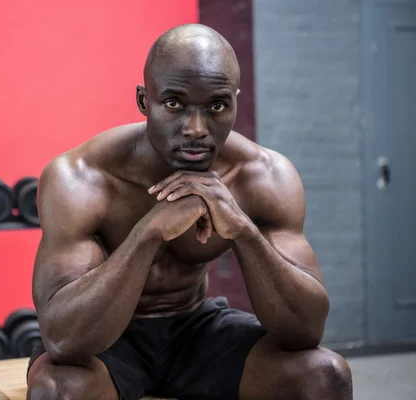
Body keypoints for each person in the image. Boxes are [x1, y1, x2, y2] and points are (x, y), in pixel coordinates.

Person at [26, 24, 353, 400]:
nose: (196, 129)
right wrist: (148, 232)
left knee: (324, 374)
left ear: (234, 101)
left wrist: (243, 231)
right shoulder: (82, 178)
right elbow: (64, 340)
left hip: (197, 332)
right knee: (58, 389)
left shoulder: (262, 177)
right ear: (143, 100)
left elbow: (306, 331)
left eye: (216, 105)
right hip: (108, 339)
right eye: (174, 104)